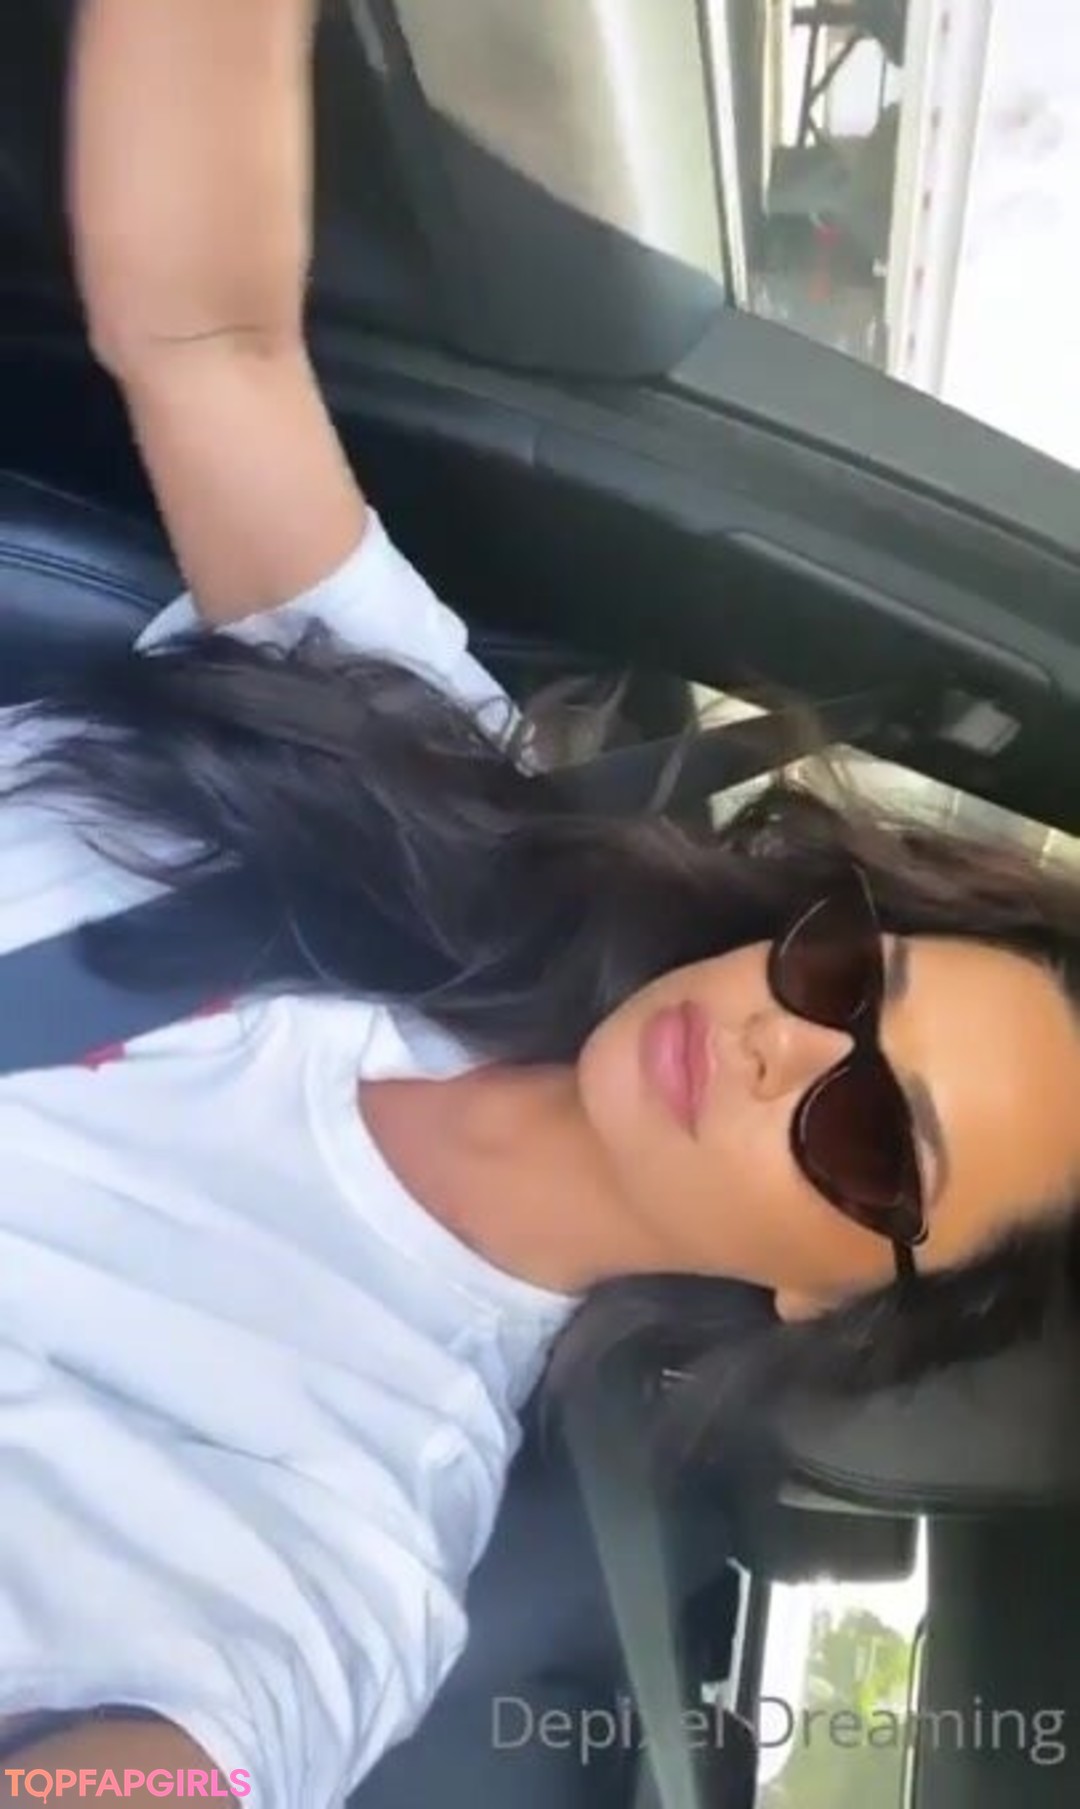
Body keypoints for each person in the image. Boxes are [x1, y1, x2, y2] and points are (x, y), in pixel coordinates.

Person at [1, 1, 1079, 1802]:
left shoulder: (347, 1528)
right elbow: (205, 337)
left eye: (874, 1139)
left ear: (822, 1295)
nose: (782, 1045)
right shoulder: (438, 779)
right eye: (847, 975)